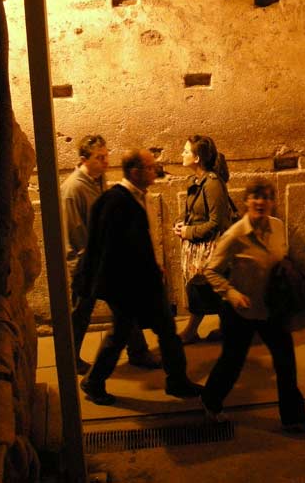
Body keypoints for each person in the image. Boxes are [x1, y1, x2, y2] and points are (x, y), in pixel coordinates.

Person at [77, 149, 203, 405]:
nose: (155, 171)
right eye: (150, 167)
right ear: (134, 172)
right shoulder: (116, 202)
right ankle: (95, 381)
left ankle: (175, 380)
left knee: (153, 331)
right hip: (129, 285)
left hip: (141, 281)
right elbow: (111, 250)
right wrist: (136, 282)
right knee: (137, 332)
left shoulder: (135, 197)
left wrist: (154, 266)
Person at [200, 179, 305, 434]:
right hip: (240, 312)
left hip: (272, 309)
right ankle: (210, 400)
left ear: (272, 202)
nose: (260, 202)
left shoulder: (278, 227)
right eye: (255, 197)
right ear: (246, 201)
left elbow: (281, 258)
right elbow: (211, 271)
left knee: (286, 363)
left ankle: (293, 418)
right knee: (232, 362)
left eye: (266, 197)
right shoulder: (235, 235)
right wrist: (231, 293)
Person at [61, 135, 159, 374]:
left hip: (104, 260)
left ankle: (138, 351)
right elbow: (76, 232)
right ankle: (70, 358)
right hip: (88, 262)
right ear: (84, 159)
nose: (106, 162)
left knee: (124, 306)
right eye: (100, 157)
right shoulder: (73, 189)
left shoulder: (97, 180)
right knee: (80, 313)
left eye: (106, 156)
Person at [174, 135, 236, 344]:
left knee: (206, 289)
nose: (182, 154)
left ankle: (194, 330)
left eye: (186, 151)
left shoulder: (212, 183)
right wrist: (182, 224)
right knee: (202, 290)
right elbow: (195, 213)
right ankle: (224, 329)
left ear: (197, 157)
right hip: (198, 248)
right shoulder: (195, 181)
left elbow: (216, 223)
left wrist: (188, 232)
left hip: (210, 249)